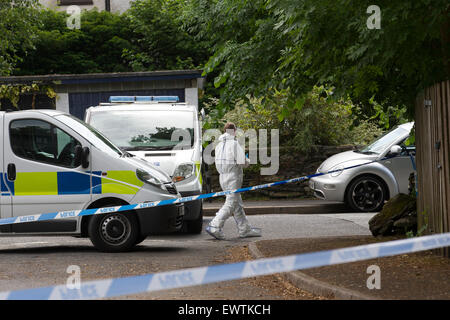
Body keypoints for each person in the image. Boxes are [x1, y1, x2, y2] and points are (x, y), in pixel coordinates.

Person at [205, 122, 262, 240]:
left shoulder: (219, 145)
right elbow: (242, 162)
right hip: (233, 177)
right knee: (231, 203)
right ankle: (215, 225)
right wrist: (247, 160)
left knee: (237, 204)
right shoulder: (234, 144)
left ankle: (244, 229)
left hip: (222, 177)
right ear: (234, 131)